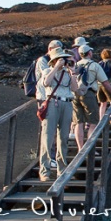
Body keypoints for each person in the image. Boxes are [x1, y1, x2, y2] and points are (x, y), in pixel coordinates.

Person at [39, 47, 78, 181]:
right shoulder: (48, 70)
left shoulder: (68, 73)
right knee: (48, 137)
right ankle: (45, 170)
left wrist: (72, 73)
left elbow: (75, 88)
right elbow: (46, 83)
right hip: (52, 102)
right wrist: (56, 67)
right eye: (62, 59)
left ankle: (62, 169)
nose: (65, 61)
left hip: (67, 103)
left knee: (63, 138)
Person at [73, 44, 111, 151]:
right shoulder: (94, 65)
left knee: (79, 122)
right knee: (93, 122)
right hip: (88, 94)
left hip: (75, 94)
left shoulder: (75, 65)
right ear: (89, 53)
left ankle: (80, 148)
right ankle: (89, 149)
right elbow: (105, 82)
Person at [35, 40, 63, 168]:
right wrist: (57, 66)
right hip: (44, 97)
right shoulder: (43, 60)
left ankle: (53, 155)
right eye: (56, 49)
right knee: (47, 129)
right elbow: (48, 78)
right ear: (50, 48)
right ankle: (48, 157)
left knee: (54, 128)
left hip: (54, 97)